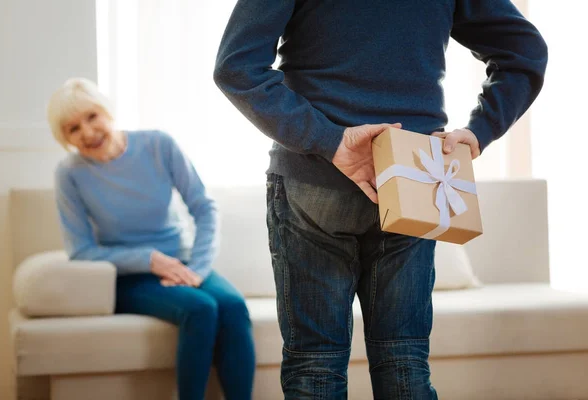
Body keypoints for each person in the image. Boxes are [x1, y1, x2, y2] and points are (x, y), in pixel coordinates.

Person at [214, 0, 547, 398]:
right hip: (414, 177)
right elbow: (525, 52)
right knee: (404, 363)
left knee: (314, 366)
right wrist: (480, 131)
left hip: (315, 179)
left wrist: (331, 140)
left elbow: (236, 67)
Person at [47, 78, 256, 400]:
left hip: (183, 262)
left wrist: (198, 268)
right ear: (66, 138)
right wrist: (149, 259)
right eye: (73, 129)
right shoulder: (70, 174)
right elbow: (80, 250)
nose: (87, 133)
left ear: (107, 111)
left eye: (92, 117)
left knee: (232, 306)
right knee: (199, 309)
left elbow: (203, 208)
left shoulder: (158, 145)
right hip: (130, 275)